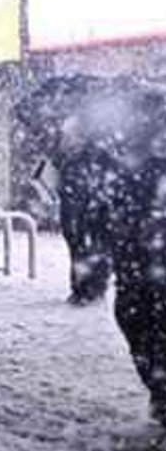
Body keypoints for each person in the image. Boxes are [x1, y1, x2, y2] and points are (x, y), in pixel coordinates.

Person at [106, 90, 166, 428]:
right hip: (136, 260)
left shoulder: (140, 158)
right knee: (137, 320)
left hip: (147, 260)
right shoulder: (129, 157)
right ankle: (160, 393)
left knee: (143, 322)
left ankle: (161, 393)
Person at [56, 125, 118, 305]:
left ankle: (85, 291)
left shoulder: (78, 160)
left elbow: (71, 193)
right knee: (93, 250)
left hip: (84, 215)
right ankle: (92, 289)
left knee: (83, 250)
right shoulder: (105, 157)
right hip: (95, 215)